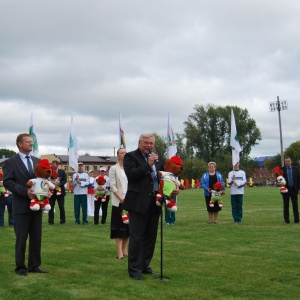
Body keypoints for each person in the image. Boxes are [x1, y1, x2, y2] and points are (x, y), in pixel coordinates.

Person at [123, 133, 179, 280]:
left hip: (155, 203)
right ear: (139, 143)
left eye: (151, 143)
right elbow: (132, 174)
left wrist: (173, 188)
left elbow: (162, 178)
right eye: (146, 143)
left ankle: (144, 265)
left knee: (150, 238)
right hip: (138, 203)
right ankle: (134, 270)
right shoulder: (130, 157)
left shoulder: (157, 158)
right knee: (136, 238)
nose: (149, 146)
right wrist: (148, 165)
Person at [3, 133, 47, 275]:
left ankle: (34, 266)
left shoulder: (37, 161)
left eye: (32, 141)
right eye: (28, 141)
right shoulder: (10, 162)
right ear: (20, 144)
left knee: (36, 237)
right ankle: (20, 267)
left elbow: (42, 179)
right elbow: (8, 182)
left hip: (37, 205)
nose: (31, 144)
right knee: (21, 238)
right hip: (21, 205)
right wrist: (25, 191)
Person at [109, 148, 129, 259]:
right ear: (118, 155)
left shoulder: (130, 168)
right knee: (119, 226)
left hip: (130, 200)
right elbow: (112, 185)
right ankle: (119, 252)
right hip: (119, 201)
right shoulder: (113, 168)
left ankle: (125, 249)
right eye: (122, 153)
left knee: (128, 226)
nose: (124, 155)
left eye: (125, 153)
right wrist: (120, 198)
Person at [280, 156, 300, 224]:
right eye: (286, 161)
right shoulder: (281, 169)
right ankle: (286, 220)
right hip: (285, 189)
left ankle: (296, 220)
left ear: (291, 161)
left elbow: (298, 179)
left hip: (294, 189)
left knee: (295, 205)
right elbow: (278, 179)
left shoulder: (296, 169)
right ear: (285, 162)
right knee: (286, 205)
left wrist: (299, 189)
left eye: (288, 161)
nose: (287, 162)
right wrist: (280, 184)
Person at [48, 160, 67, 225]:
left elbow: (65, 180)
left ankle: (62, 220)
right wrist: (52, 184)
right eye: (52, 164)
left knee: (61, 206)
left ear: (57, 165)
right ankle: (51, 221)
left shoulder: (62, 172)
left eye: (54, 164)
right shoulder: (49, 171)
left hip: (60, 192)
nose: (52, 165)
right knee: (51, 207)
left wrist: (59, 183)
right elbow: (47, 180)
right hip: (52, 192)